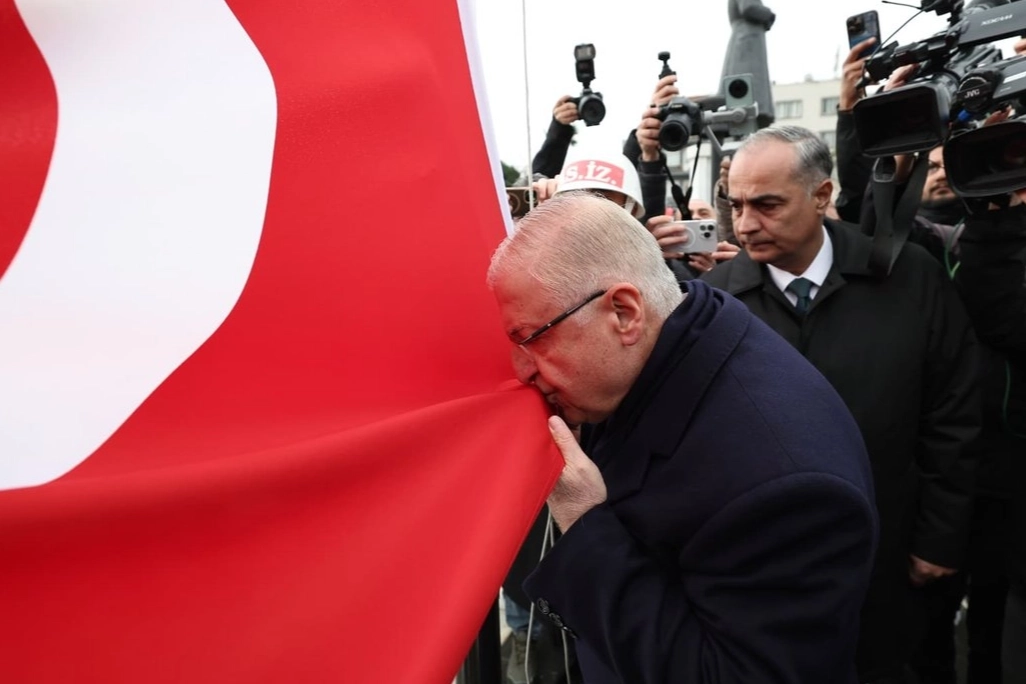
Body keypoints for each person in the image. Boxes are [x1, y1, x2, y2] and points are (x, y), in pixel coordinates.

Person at [487, 191, 878, 683]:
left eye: (533, 338)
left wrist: (585, 523)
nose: (522, 370)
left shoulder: (784, 483)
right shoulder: (671, 337)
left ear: (624, 312)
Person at [702, 126, 981, 684]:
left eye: (767, 205)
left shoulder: (909, 277)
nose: (746, 224)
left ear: (822, 195)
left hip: (892, 559)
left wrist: (940, 538)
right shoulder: (712, 306)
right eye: (736, 205)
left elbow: (953, 414)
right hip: (766, 575)